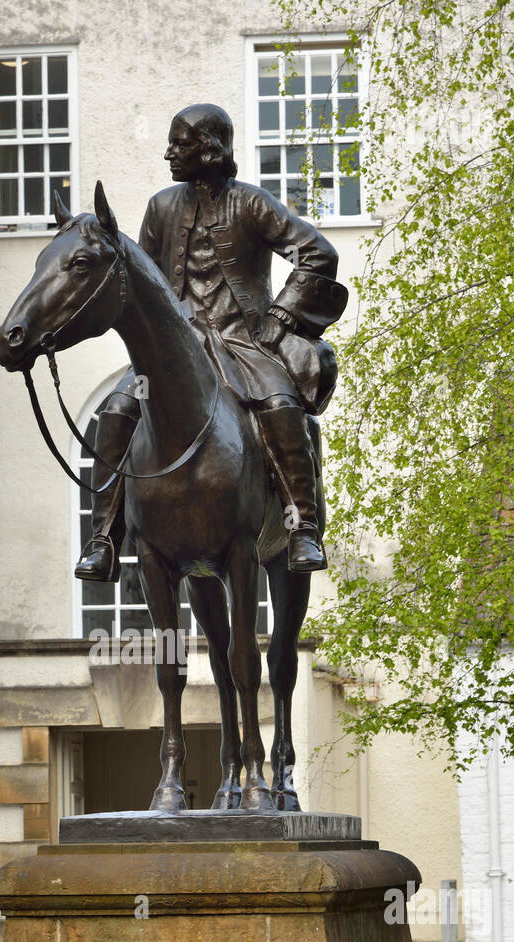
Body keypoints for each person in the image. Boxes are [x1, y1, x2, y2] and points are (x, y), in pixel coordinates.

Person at [74, 102, 348, 583]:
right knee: (117, 410)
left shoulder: (252, 203)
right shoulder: (161, 206)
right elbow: (146, 282)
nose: (169, 154)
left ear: (211, 148)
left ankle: (302, 524)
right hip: (177, 351)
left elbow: (318, 253)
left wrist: (280, 317)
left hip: (243, 343)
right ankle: (104, 538)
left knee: (281, 404)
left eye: (180, 144)